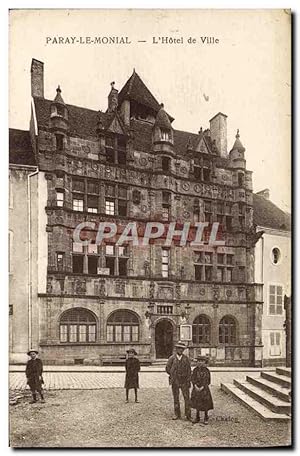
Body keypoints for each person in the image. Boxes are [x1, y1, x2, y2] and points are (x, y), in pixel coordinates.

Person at [166, 341, 191, 421]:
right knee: (176, 397)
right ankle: (177, 414)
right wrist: (173, 374)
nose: (180, 350)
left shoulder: (186, 359)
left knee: (187, 398)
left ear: (183, 350)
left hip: (184, 381)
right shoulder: (172, 358)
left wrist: (188, 379)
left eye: (182, 349)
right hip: (175, 381)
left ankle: (188, 415)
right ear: (176, 349)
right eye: (179, 348)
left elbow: (189, 370)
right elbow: (167, 368)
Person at [191, 355, 214, 425]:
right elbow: (192, 379)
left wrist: (202, 387)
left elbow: (208, 380)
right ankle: (197, 417)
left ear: (205, 362)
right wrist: (195, 385)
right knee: (197, 402)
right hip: (196, 388)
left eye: (202, 361)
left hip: (204, 389)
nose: (200, 363)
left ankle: (206, 417)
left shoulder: (207, 371)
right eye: (199, 361)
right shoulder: (195, 370)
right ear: (197, 362)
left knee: (205, 403)